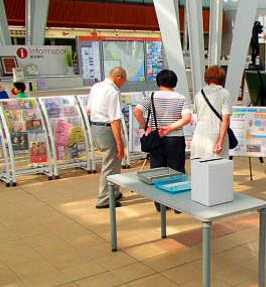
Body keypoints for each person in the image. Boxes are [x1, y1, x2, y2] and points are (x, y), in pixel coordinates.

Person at [134, 70, 191, 212]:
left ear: (158, 82)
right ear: (175, 82)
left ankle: (161, 204)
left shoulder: (151, 96)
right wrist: (170, 127)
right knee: (176, 169)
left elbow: (137, 111)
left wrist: (147, 127)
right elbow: (187, 118)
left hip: (156, 138)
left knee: (157, 170)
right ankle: (178, 204)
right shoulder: (181, 98)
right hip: (176, 139)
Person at [87, 67, 127, 209]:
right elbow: (115, 120)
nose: (124, 83)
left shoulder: (96, 87)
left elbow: (89, 109)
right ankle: (104, 198)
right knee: (110, 164)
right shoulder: (113, 92)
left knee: (113, 162)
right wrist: (120, 143)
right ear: (118, 77)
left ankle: (113, 192)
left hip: (95, 126)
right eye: (124, 80)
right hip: (106, 129)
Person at [190, 66, 232, 159]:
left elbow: (197, 114)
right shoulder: (224, 93)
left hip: (199, 133)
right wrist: (220, 141)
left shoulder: (199, 94)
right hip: (216, 132)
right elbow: (226, 119)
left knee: (200, 165)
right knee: (217, 166)